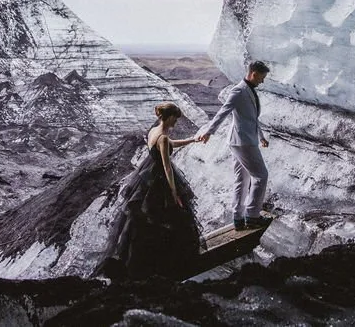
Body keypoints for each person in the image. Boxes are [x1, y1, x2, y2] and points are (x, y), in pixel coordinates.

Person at [95, 102, 204, 280]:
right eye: (175, 119)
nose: (176, 122)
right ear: (169, 117)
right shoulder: (163, 137)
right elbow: (168, 167)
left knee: (144, 220)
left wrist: (192, 140)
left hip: (148, 174)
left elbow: (170, 144)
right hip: (159, 179)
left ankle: (144, 261)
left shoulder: (154, 131)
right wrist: (174, 192)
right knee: (171, 217)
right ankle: (168, 263)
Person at [195, 60, 271, 230]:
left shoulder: (248, 90)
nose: (262, 81)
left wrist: (262, 137)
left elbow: (251, 118)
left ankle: (238, 218)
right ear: (254, 74)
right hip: (243, 142)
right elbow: (223, 112)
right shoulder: (238, 91)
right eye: (262, 77)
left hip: (241, 140)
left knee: (241, 179)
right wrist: (209, 132)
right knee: (261, 176)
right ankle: (252, 216)